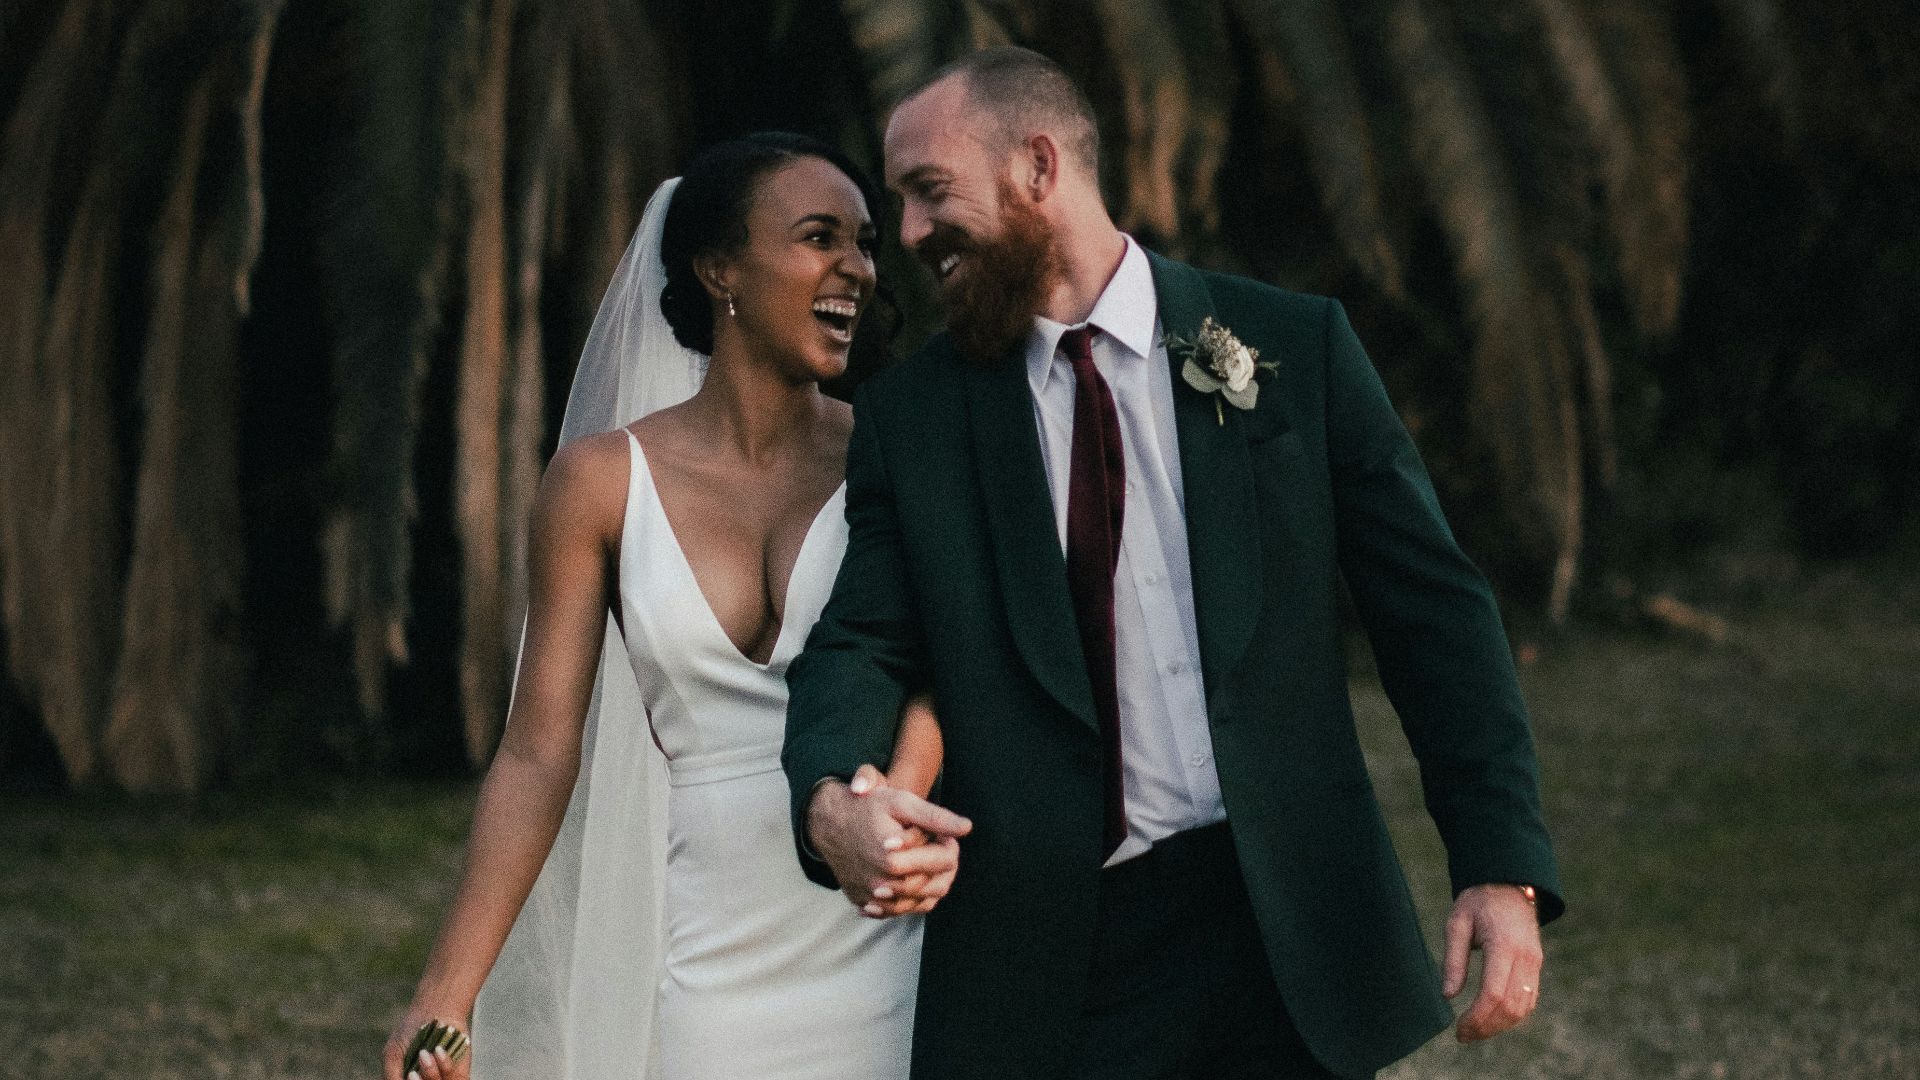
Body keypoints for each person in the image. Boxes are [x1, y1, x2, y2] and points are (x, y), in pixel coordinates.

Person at [785, 47, 1564, 1080]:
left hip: (1285, 930)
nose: (913, 235)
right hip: (1063, 957)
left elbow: (1437, 616)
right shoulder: (916, 419)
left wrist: (1500, 867)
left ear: (1039, 165)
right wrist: (832, 799)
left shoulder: (1295, 347)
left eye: (930, 193)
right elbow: (863, 637)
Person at [382, 133, 946, 1080]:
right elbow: (535, 754)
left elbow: (943, 669)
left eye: (865, 241)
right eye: (819, 236)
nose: (857, 266)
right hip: (713, 964)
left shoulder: (897, 450)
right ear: (719, 267)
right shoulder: (600, 484)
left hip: (885, 928)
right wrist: (443, 996)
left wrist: (900, 812)